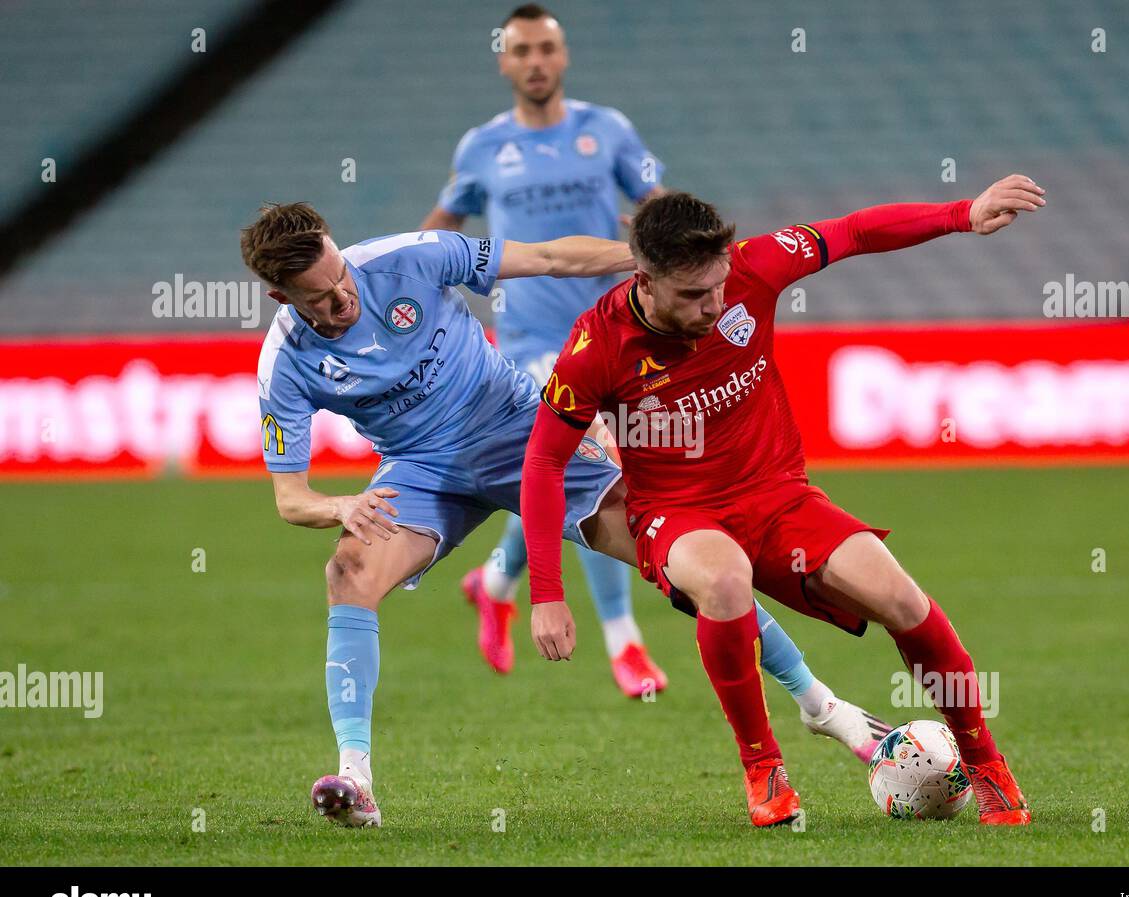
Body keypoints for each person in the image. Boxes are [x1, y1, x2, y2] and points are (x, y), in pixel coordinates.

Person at [243, 201, 889, 828]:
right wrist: (341, 506)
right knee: (348, 573)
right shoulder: (285, 365)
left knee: (689, 556)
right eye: (321, 299)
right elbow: (290, 499)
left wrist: (650, 265)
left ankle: (822, 704)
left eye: (342, 279)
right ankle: (356, 779)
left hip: (520, 429)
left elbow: (551, 258)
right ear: (282, 299)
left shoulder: (412, 258)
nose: (343, 300)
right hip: (422, 469)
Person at [522, 177, 1047, 825]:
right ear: (644, 278)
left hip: (778, 497)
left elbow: (854, 231)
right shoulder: (594, 348)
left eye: (717, 285)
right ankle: (762, 768)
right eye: (692, 294)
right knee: (725, 580)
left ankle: (986, 763)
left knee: (903, 600)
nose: (714, 304)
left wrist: (962, 213)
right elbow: (544, 460)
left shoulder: (753, 269)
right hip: (676, 512)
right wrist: (546, 592)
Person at [421, 4, 670, 695]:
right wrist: (395, 288)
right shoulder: (481, 147)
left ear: (563, 58)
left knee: (558, 472)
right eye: (521, 50)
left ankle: (495, 580)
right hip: (529, 337)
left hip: (612, 328)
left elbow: (657, 195)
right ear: (504, 60)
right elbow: (441, 227)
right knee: (596, 462)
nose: (535, 61)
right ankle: (625, 644)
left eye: (546, 49)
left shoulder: (608, 129)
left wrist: (681, 232)